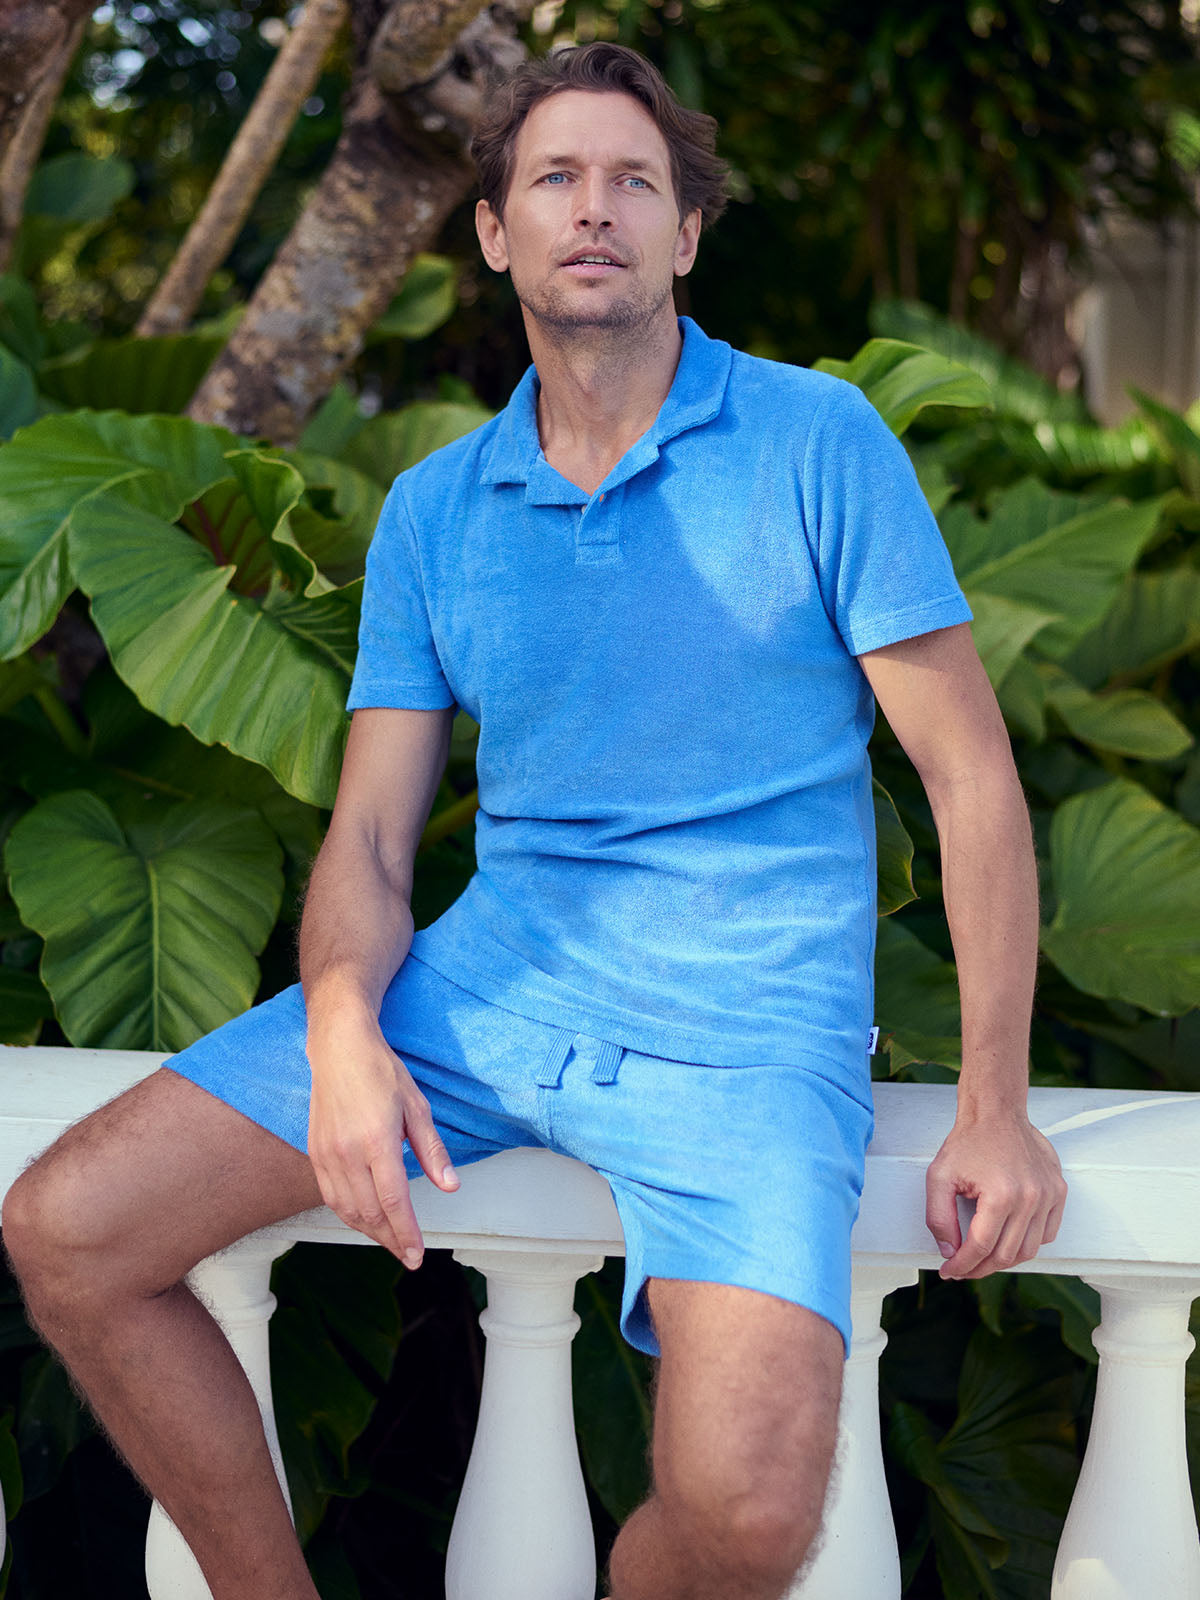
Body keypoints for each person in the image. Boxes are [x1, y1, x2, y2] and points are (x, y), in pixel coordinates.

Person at [2, 40, 1066, 1600]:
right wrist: (348, 1028)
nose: (595, 209)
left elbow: (970, 778)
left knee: (753, 1506)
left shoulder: (818, 443)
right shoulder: (438, 509)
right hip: (489, 999)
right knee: (71, 1228)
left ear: (686, 235)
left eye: (635, 181)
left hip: (748, 1032)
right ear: (494, 232)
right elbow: (371, 839)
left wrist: (993, 1097)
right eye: (554, 179)